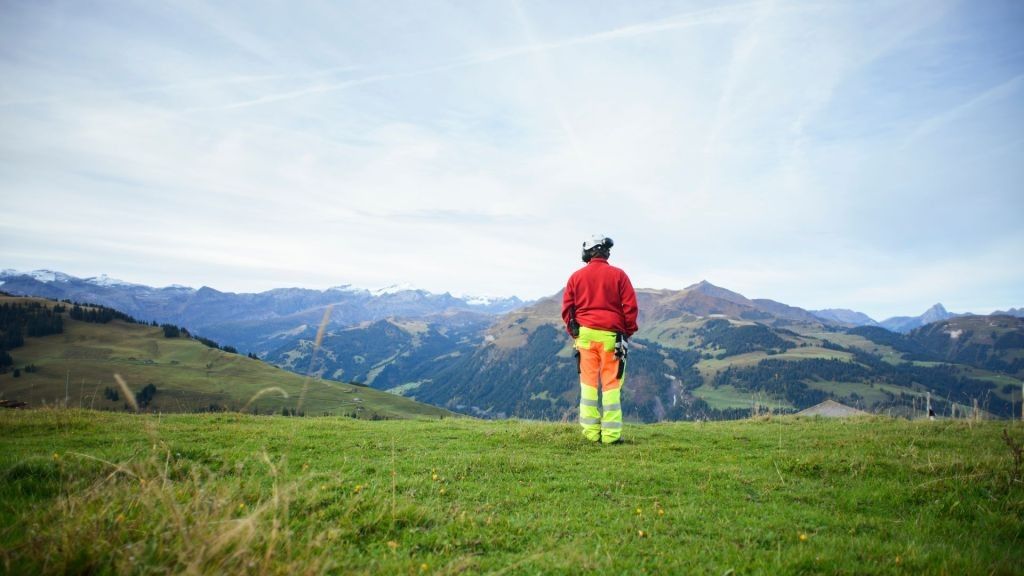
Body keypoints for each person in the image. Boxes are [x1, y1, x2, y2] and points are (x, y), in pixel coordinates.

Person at [562, 235, 638, 444]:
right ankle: (611, 436)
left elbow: (568, 309)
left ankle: (590, 433)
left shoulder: (576, 277)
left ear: (588, 252)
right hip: (611, 337)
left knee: (588, 385)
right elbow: (630, 308)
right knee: (611, 385)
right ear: (605, 252)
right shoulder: (619, 275)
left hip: (585, 336)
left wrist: (574, 331)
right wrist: (626, 332)